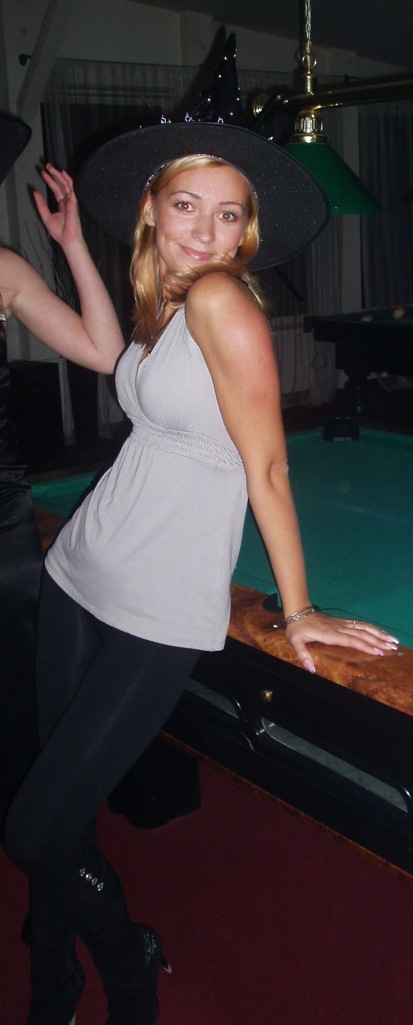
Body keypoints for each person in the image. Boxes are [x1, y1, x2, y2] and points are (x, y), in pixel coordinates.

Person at [4, 79, 399, 1025]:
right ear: (151, 207)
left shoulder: (220, 299)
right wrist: (73, 248)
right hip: (78, 570)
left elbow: (268, 466)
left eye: (228, 215)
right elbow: (111, 360)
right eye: (187, 205)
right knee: (57, 810)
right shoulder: (167, 305)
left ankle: (130, 957)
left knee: (35, 828)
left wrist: (296, 608)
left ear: (245, 231)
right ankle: (54, 975)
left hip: (160, 603)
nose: (207, 231)